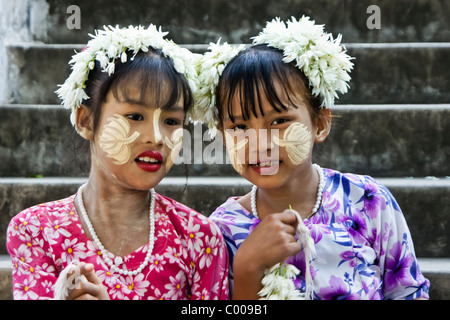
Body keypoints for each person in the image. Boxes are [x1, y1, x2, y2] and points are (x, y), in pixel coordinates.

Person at [196, 16, 430, 300]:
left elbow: (409, 292)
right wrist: (247, 269)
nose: (258, 144)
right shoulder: (220, 231)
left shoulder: (368, 201)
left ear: (319, 124)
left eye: (279, 120)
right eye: (240, 127)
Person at [6, 25, 229, 300]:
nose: (156, 137)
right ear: (86, 121)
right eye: (135, 116)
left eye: (171, 121)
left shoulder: (200, 239)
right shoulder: (36, 231)